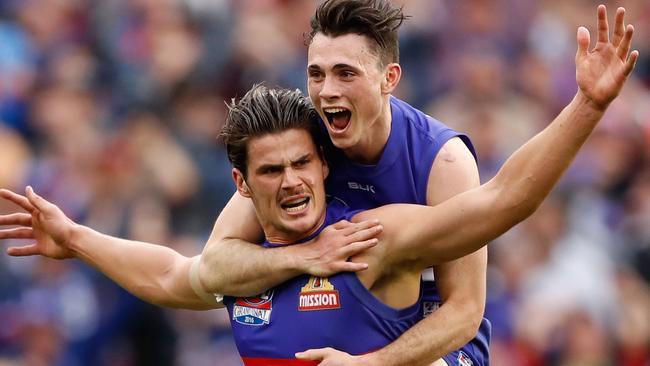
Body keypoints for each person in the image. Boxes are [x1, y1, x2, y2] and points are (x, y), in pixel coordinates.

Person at [0, 3, 638, 365]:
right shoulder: (298, 143)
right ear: (243, 183)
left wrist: (586, 104)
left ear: (390, 79)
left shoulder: (415, 191)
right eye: (315, 74)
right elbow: (192, 273)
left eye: (344, 74)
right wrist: (77, 236)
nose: (327, 90)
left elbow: (477, 283)